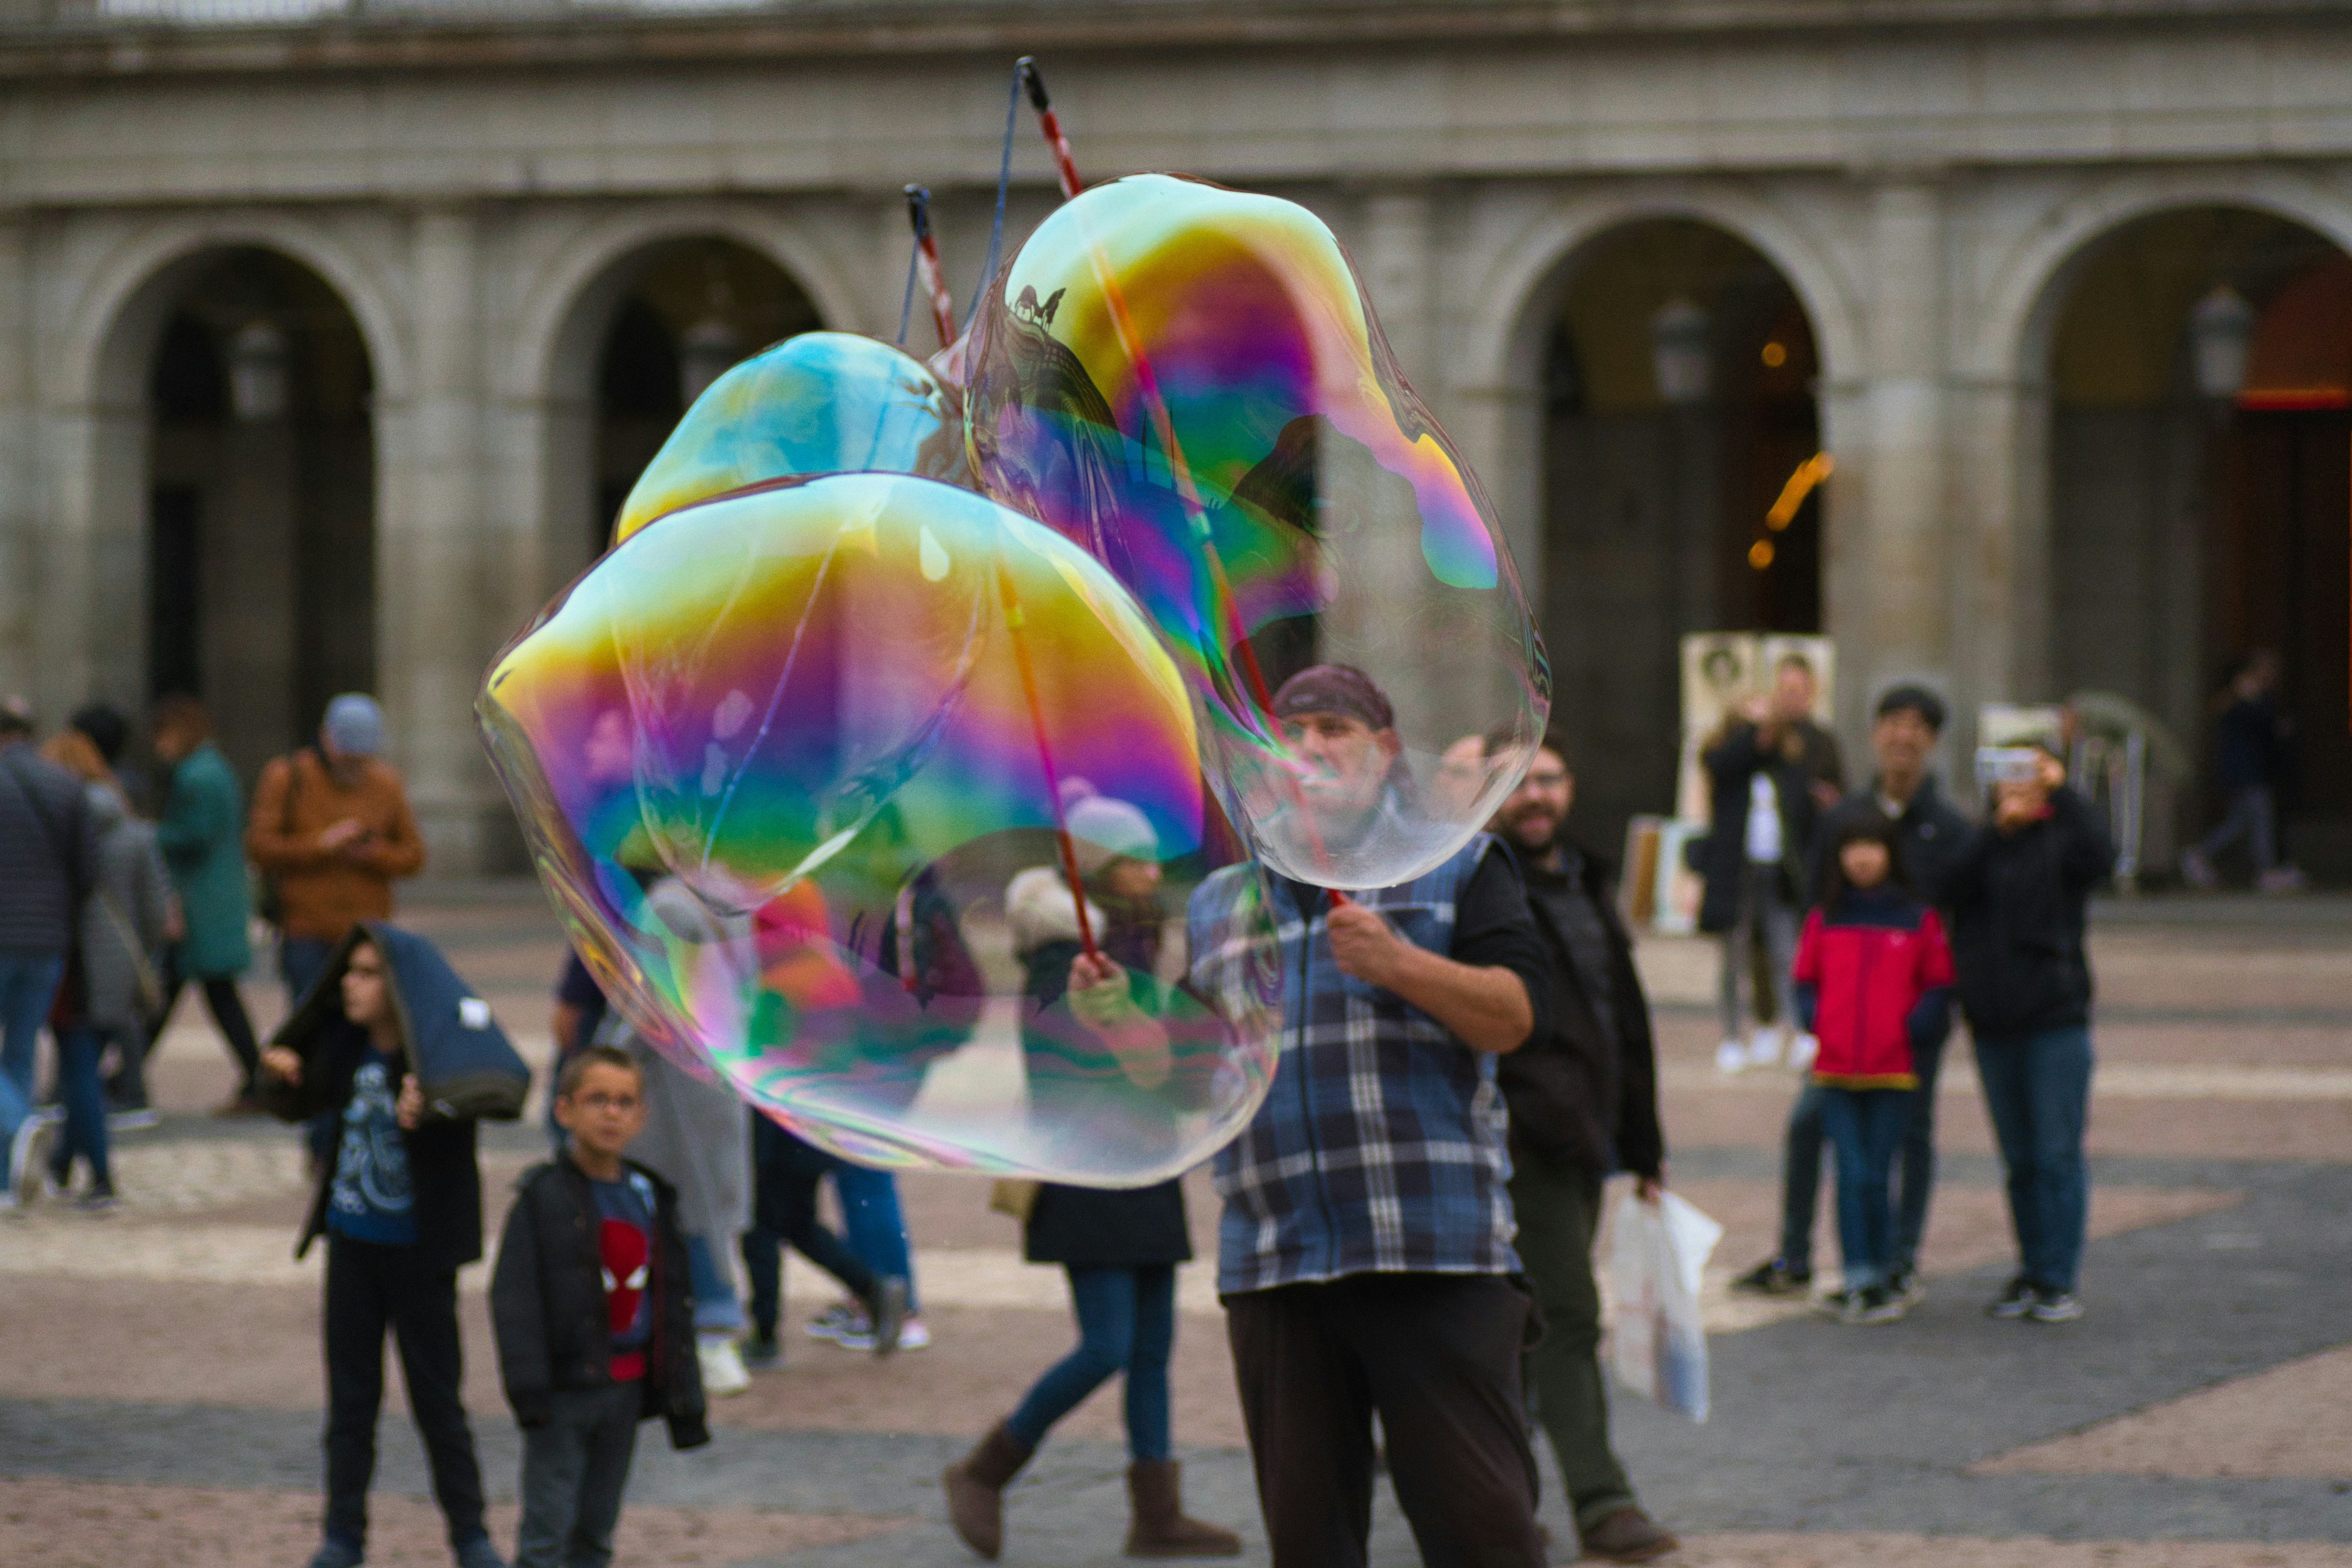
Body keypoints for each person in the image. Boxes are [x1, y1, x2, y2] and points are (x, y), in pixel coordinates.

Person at [1184, 664, 1553, 1568]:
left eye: (1335, 728)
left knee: (1483, 1535)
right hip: (1276, 1263)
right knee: (1310, 1545)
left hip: (1429, 1249)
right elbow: (1197, 1077)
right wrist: (1123, 1031)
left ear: (1385, 753)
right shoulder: (1220, 904)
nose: (1310, 748)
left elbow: (1512, 1014)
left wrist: (1400, 965)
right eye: (1293, 732)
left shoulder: (1458, 862)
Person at [943, 788, 1240, 1560]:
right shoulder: (1062, 955)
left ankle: (1157, 1512)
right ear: (1101, 868)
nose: (1151, 871)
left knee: (1151, 1350)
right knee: (1106, 1344)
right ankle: (986, 1468)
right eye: (1134, 859)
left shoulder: (1133, 943)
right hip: (1086, 1173)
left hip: (1142, 1165)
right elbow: (1060, 1062)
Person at [1481, 731, 1676, 1563]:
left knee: (1524, 1319)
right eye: (1519, 781)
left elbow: (1622, 1021)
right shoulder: (1485, 884)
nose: (1536, 795)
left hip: (1586, 1132)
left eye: (1550, 778)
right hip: (1522, 1134)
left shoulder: (1588, 878)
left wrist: (1645, 1142)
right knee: (1566, 1312)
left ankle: (1494, 1490)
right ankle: (1602, 1500)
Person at [259, 930, 506, 1568]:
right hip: (352, 1249)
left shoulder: (440, 1062)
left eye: (367, 974)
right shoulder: (346, 1048)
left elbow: (476, 1125)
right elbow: (298, 1104)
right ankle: (342, 1537)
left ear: (398, 988)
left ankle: (471, 1537)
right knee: (350, 1403)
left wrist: (432, 1113)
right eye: (350, 971)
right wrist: (282, 1079)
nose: (350, 983)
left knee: (438, 1403)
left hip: (419, 1260)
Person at [1731, 684, 1971, 1303]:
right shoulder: (1844, 818)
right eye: (1893, 723)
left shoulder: (1949, 828)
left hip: (1913, 1018)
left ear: (1933, 741)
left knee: (1912, 1135)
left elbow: (1959, 925)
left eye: (1918, 726)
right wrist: (1815, 1010)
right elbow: (1818, 909)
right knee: (1809, 1125)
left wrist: (1933, 1013)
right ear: (1875, 734)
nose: (1904, 736)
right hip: (1846, 1022)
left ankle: (1899, 1261)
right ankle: (1797, 1254)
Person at [491, 1045, 709, 1568]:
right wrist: (530, 1389)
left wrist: (683, 1388)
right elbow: (514, 1299)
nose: (611, 1113)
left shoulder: (650, 1195)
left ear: (641, 1115)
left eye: (624, 1101)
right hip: (563, 1391)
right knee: (547, 1529)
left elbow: (673, 1299)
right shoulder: (543, 1197)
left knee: (596, 1530)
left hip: (627, 1390)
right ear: (564, 1109)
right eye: (596, 1100)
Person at [1945, 743, 2115, 1325]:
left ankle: (2057, 1277)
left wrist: (2065, 794)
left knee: (2056, 1153)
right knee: (2019, 1158)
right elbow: (1950, 885)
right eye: (2007, 774)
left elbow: (2102, 858)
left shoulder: (2063, 841)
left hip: (2054, 1018)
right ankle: (2031, 1267)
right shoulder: (1982, 844)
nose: (2017, 785)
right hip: (1993, 1021)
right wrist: (1995, 832)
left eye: (2030, 773)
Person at [1790, 816, 1955, 1323]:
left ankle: (1883, 1273)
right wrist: (1817, 1019)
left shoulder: (1917, 919)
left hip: (1893, 1072)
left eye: (1873, 847)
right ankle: (1857, 1273)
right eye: (1853, 848)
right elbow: (1804, 978)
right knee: (1850, 1173)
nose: (1862, 858)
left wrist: (1913, 1027)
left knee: (1877, 1173)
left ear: (1891, 854)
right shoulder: (1825, 917)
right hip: (1836, 1071)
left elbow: (1939, 981)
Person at [38, 729, 175, 1207]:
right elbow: (159, 912)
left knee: (77, 1069)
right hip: (119, 964)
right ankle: (61, 1161)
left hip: (73, 969)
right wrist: (138, 951)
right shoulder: (136, 833)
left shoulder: (52, 832)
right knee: (83, 1065)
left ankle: (99, 1175)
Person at [1697, 654, 1837, 1073]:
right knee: (1734, 956)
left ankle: (1796, 1030)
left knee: (1785, 951)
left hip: (1778, 871)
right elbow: (1719, 765)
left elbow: (1804, 807)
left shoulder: (1786, 762)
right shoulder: (1728, 765)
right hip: (1734, 872)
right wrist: (1752, 733)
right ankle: (1732, 1035)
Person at [248, 692, 428, 1009]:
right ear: (325, 739)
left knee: (362, 1024)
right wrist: (321, 845)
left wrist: (372, 853)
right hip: (306, 929)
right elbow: (260, 847)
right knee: (311, 1020)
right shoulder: (289, 777)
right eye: (346, 755)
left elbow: (413, 856)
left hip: (366, 930)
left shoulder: (386, 784)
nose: (354, 766)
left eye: (362, 758)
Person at [0, 694, 98, 1209]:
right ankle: (7, 1181)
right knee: (19, 1051)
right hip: (48, 940)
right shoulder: (65, 786)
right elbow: (88, 872)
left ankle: (19, 1123)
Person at [150, 694, 266, 1116]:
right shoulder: (212, 769)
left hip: (201, 901)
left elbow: (194, 835)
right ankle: (256, 1077)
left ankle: (124, 1079)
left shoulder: (196, 776)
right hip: (214, 898)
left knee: (176, 991)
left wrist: (152, 835)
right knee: (205, 993)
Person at [739, 1112, 908, 1367]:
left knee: (761, 1231)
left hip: (775, 1140)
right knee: (800, 1227)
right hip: (808, 1137)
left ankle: (765, 1337)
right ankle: (873, 1289)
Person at [2183, 649, 2302, 893]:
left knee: (2245, 820)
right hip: (2245, 771)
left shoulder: (2258, 695)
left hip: (2252, 769)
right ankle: (2264, 870)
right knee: (2259, 818)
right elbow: (2248, 723)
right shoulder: (2245, 694)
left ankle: (2202, 855)